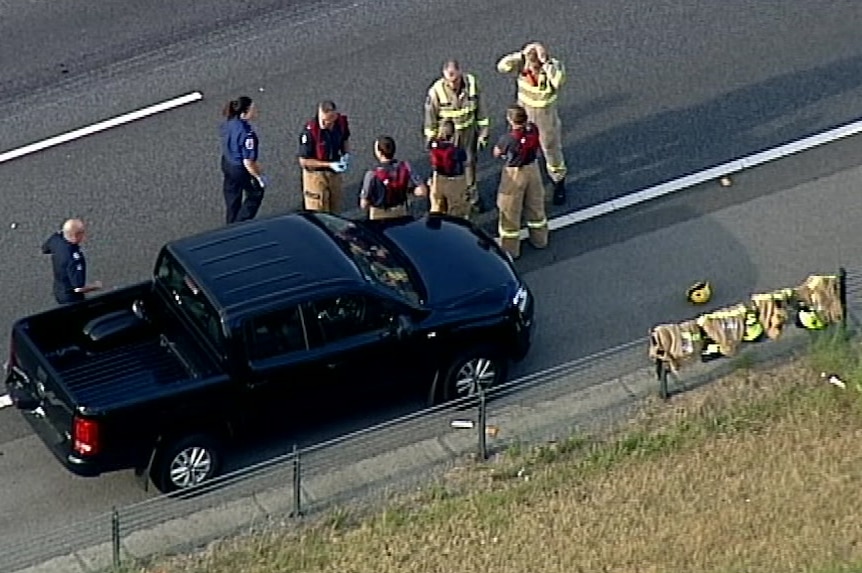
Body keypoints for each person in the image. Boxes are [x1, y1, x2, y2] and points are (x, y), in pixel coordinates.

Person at [496, 42, 568, 205]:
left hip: (545, 116)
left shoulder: (552, 67)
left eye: (536, 66)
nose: (533, 69)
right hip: (524, 113)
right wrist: (520, 55)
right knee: (519, 146)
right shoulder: (521, 63)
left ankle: (558, 181)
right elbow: (502, 66)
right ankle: (520, 175)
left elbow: (558, 81)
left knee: (550, 149)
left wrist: (547, 63)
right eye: (531, 65)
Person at [423, 59, 489, 212]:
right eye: (449, 81)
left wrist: (483, 132)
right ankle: (441, 199)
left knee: (469, 164)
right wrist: (431, 141)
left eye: (455, 80)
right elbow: (430, 118)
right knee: (444, 167)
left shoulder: (472, 84)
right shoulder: (436, 91)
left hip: (468, 132)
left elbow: (481, 109)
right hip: (447, 137)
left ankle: (472, 197)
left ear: (461, 73)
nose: (453, 85)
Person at [492, 104, 549, 259]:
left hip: (514, 173)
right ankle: (540, 239)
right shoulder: (533, 129)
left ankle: (511, 250)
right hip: (532, 168)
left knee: (510, 209)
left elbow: (496, 152)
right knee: (535, 205)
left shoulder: (508, 139)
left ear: (511, 120)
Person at [297, 100, 351, 213]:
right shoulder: (310, 131)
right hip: (316, 175)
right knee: (318, 210)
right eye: (324, 121)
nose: (327, 124)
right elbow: (304, 161)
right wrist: (329, 164)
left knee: (335, 207)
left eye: (330, 121)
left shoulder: (340, 123)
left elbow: (344, 139)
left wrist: (346, 155)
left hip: (334, 174)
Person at [220, 96, 267, 224]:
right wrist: (259, 177)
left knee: (232, 196)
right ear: (244, 113)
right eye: (252, 109)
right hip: (239, 168)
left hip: (227, 162)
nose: (256, 111)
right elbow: (248, 162)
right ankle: (240, 224)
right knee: (255, 193)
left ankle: (230, 222)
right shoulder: (247, 134)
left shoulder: (229, 122)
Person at [359, 136, 428, 220]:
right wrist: (410, 190)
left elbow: (364, 204)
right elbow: (422, 191)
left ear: (380, 153)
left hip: (379, 214)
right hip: (400, 211)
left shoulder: (372, 174)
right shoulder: (406, 166)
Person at [41, 219, 102, 305]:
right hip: (71, 298)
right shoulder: (74, 259)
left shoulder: (56, 239)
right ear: (75, 236)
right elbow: (78, 288)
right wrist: (95, 286)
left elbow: (45, 249)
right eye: (82, 233)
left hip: (59, 289)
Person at [427, 120, 470, 220]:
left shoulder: (434, 145)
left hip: (438, 178)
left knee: (437, 206)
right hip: (453, 180)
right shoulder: (456, 150)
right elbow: (464, 159)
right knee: (456, 209)